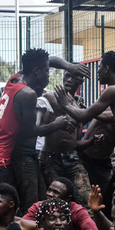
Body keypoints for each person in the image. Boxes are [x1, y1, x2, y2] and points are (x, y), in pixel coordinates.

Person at [0, 48, 88, 195]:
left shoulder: (15, 79)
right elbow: (29, 132)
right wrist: (57, 124)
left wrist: (69, 66)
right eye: (47, 70)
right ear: (36, 71)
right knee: (4, 200)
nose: (49, 73)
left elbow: (51, 61)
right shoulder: (28, 94)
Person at [55, 51, 115, 191]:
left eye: (99, 66)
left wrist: (65, 104)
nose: (97, 71)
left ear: (106, 68)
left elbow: (83, 116)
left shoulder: (113, 90)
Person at [37, 71, 91, 207]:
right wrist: (58, 124)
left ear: (81, 81)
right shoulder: (50, 97)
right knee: (55, 200)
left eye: (74, 77)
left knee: (86, 199)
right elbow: (40, 129)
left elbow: (76, 137)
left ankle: (87, 228)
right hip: (51, 156)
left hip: (72, 157)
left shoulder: (77, 104)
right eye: (67, 76)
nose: (69, 80)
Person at [22, 177, 98, 230]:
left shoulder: (77, 211)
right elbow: (22, 227)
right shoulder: (38, 207)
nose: (50, 194)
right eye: (49, 190)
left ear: (68, 198)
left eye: (56, 192)